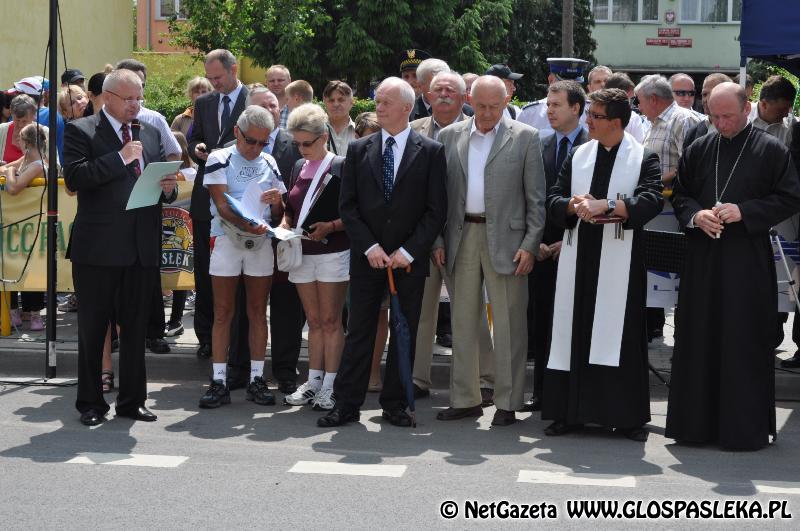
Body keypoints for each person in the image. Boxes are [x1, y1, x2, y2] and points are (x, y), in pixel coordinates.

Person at [666, 82, 800, 451]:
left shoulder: (771, 150)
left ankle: (742, 430)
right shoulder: (699, 148)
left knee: (742, 340)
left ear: (746, 110)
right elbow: (681, 195)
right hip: (703, 260)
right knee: (699, 338)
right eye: (715, 116)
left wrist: (746, 211)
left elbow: (789, 196)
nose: (721, 123)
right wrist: (696, 216)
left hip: (746, 260)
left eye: (727, 116)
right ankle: (695, 426)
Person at [317, 77, 447, 428]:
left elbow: (435, 210)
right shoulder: (360, 150)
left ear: (407, 107)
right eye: (377, 101)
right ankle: (346, 404)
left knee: (404, 331)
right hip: (367, 257)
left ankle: (396, 404)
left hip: (408, 261)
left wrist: (409, 250)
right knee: (359, 330)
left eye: (386, 101)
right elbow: (349, 207)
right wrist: (370, 246)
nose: (379, 107)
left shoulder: (431, 151)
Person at [542, 88, 663, 441]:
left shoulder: (644, 157)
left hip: (620, 259)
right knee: (573, 329)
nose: (587, 120)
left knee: (620, 335)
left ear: (615, 122)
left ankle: (624, 417)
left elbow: (651, 199)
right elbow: (553, 196)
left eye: (594, 115)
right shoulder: (579, 154)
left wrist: (608, 205)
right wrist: (572, 204)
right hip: (579, 255)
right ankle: (569, 413)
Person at [63, 68, 177, 426]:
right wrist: (121, 157)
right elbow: (76, 177)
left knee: (135, 328)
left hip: (141, 247)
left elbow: (161, 184)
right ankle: (91, 404)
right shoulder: (81, 131)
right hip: (97, 249)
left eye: (139, 97)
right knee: (94, 329)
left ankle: (132, 401)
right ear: (108, 98)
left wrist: (169, 186)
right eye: (129, 98)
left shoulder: (153, 132)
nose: (136, 104)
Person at [434, 75, 545, 426]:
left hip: (509, 242)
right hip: (461, 234)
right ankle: (465, 398)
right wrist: (437, 241)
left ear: (506, 100)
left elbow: (536, 200)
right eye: (480, 105)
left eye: (494, 107)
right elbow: (439, 196)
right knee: (463, 321)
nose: (486, 113)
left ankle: (508, 402)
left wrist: (530, 244)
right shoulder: (449, 136)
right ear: (469, 99)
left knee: (510, 323)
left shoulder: (525, 137)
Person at [409, 71, 495, 404]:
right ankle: (418, 378)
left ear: (464, 98)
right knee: (422, 311)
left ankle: (485, 378)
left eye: (451, 90)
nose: (444, 94)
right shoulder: (412, 130)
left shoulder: (478, 130)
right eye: (438, 90)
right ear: (427, 96)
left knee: (469, 309)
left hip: (463, 234)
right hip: (421, 236)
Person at [197, 105, 286, 409]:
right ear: (237, 132)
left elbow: (279, 213)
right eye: (251, 141)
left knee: (258, 311)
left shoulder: (270, 162)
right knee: (223, 311)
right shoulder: (219, 157)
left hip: (260, 242)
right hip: (226, 238)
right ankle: (219, 380)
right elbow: (222, 205)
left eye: (264, 142)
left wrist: (276, 208)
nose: (256, 148)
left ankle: (257, 379)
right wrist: (251, 226)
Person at [522, 80, 589, 413]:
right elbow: (533, 198)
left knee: (574, 323)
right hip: (543, 250)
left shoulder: (593, 147)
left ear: (576, 108)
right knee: (543, 322)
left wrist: (569, 240)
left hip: (578, 246)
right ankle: (542, 392)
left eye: (556, 105)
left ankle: (573, 395)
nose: (548, 111)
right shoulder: (540, 145)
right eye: (547, 105)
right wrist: (537, 243)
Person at [280, 103, 350, 410]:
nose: (301, 148)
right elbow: (291, 208)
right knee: (314, 321)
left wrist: (331, 226)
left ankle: (332, 385)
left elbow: (356, 212)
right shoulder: (297, 167)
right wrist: (283, 223)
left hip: (333, 251)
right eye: (297, 143)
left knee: (332, 320)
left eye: (307, 143)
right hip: (302, 252)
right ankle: (315, 380)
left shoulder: (341, 166)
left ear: (323, 137)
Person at [188, 49, 251, 377]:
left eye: (219, 78)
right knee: (205, 271)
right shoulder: (204, 103)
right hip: (205, 200)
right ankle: (205, 336)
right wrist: (197, 149)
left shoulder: (253, 101)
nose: (214, 84)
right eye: (210, 79)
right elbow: (194, 139)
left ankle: (238, 344)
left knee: (239, 277)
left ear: (233, 69)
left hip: (241, 198)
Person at [245, 85, 306, 393]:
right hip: (245, 239)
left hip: (282, 238)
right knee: (248, 307)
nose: (270, 110)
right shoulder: (233, 148)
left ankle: (285, 370)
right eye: (261, 107)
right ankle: (241, 368)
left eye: (273, 105)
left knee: (286, 308)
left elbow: (302, 190)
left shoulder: (294, 144)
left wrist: (285, 220)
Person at [634, 74, 700, 340]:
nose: (636, 107)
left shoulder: (681, 120)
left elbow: (691, 166)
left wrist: (656, 180)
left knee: (680, 279)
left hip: (677, 212)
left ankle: (688, 337)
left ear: (653, 99)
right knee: (659, 278)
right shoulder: (652, 123)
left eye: (638, 101)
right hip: (657, 211)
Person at [1, 123, 51, 331]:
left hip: (32, 224)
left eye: (20, 139)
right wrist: (9, 168)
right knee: (11, 264)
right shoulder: (28, 160)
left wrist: (10, 171)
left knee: (32, 268)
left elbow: (13, 187)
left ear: (28, 144)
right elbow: (5, 167)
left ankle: (34, 314)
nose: (17, 143)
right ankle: (13, 313)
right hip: (18, 225)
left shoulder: (38, 164)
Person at [682, 73, 732, 148]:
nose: (706, 99)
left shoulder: (738, 130)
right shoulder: (693, 132)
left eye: (713, 93)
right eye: (704, 94)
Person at [749, 75, 796, 145]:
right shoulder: (743, 116)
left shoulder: (791, 125)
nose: (786, 114)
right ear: (764, 104)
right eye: (781, 110)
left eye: (789, 108)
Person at [322, 80, 356, 156]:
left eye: (341, 100)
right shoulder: (316, 132)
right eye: (331, 100)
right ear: (324, 103)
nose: (336, 104)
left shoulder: (361, 132)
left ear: (351, 102)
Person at [265, 64, 291, 128]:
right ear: (266, 83)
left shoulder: (298, 108)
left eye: (280, 80)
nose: (276, 84)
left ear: (289, 81)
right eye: (272, 81)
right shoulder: (259, 107)